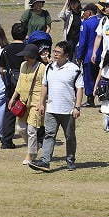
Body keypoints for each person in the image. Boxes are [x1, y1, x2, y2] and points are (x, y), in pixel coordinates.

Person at [32, 40, 83, 172]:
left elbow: (79, 89)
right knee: (49, 135)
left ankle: (70, 160)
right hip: (52, 109)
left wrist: (77, 107)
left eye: (58, 52)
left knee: (70, 136)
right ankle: (45, 161)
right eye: (54, 51)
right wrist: (41, 103)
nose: (54, 54)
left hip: (68, 110)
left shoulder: (74, 69)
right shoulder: (49, 67)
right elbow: (44, 86)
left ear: (66, 55)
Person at [9, 43, 48, 165]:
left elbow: (45, 86)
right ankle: (34, 148)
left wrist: (42, 103)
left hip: (36, 101)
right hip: (23, 101)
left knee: (32, 129)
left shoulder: (42, 68)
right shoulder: (23, 65)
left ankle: (30, 154)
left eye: (28, 56)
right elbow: (20, 83)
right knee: (20, 128)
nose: (26, 58)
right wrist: (13, 98)